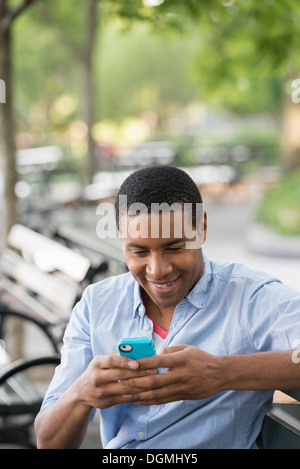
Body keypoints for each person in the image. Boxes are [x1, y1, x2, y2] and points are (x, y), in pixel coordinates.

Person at [35, 165, 300, 449]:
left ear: (202, 229)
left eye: (174, 248)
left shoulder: (251, 298)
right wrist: (81, 393)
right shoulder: (96, 304)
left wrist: (220, 373)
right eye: (138, 251)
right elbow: (48, 442)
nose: (157, 270)